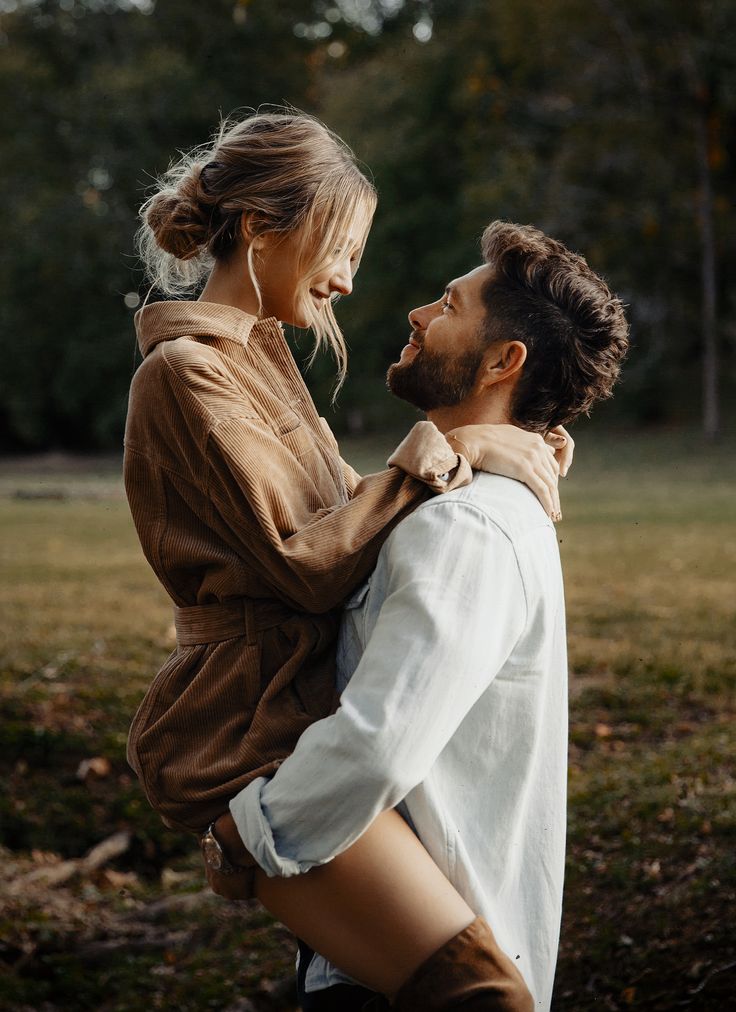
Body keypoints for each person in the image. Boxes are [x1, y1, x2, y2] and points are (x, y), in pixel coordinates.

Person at [125, 110, 573, 1011]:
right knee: (483, 994)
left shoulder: (260, 361)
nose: (350, 279)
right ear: (258, 229)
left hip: (289, 707)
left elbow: (329, 517)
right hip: (240, 731)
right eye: (342, 247)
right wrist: (453, 454)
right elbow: (306, 560)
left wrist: (478, 448)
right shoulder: (184, 371)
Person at [207, 221, 630, 1011]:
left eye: (448, 304)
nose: (418, 314)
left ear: (505, 361)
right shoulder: (468, 503)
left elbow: (378, 743)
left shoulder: (465, 527)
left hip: (411, 971)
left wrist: (249, 836)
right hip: (408, 939)